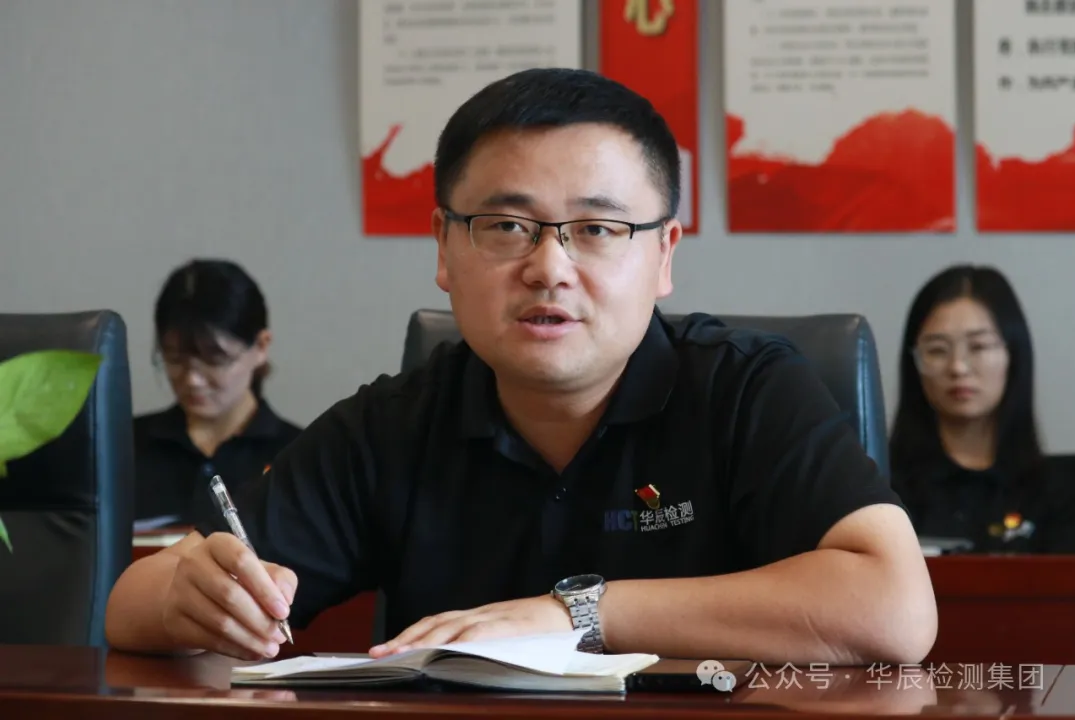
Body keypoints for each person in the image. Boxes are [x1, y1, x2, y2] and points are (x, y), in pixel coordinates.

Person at [105, 68, 936, 665]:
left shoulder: (746, 388)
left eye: (597, 229)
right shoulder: (395, 426)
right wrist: (191, 597)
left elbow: (895, 610)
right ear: (444, 247)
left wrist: (577, 614)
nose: (549, 268)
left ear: (664, 254)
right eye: (507, 227)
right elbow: (129, 608)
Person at [890, 264, 1075, 553]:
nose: (958, 367)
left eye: (978, 346)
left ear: (1012, 355)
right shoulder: (878, 488)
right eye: (937, 350)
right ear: (914, 362)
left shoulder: (1064, 492)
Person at [132, 259, 301, 527]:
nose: (193, 380)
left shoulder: (297, 456)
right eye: (175, 359)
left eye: (215, 359)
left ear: (260, 346)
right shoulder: (122, 448)